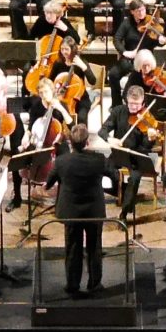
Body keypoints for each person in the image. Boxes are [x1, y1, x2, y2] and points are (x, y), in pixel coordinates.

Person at [50, 124, 119, 297]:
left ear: (70, 143)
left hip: (71, 211)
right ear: (87, 142)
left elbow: (48, 184)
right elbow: (115, 177)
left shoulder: (61, 161)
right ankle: (94, 284)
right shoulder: (99, 159)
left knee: (72, 248)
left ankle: (72, 285)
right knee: (94, 247)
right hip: (93, 210)